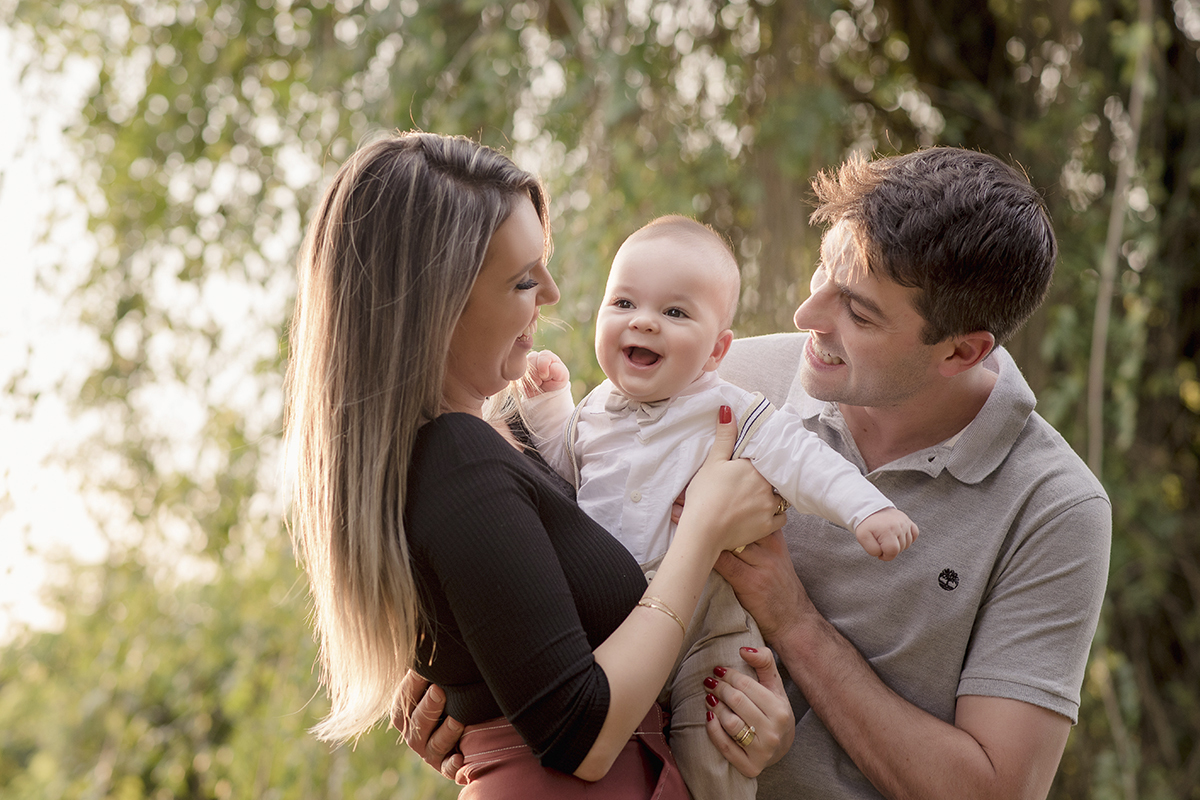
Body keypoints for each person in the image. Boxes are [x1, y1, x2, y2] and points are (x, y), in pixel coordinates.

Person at [401, 146, 1112, 800]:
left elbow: (994, 791)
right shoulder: (716, 375)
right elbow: (565, 522)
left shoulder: (1053, 508)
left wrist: (793, 620)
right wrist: (467, 675)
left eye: (856, 312)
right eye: (821, 276)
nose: (807, 316)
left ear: (962, 352)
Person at [284, 131, 792, 799]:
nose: (551, 293)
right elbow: (578, 733)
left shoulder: (483, 447)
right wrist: (701, 533)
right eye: (524, 278)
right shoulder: (456, 462)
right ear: (440, 302)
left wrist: (738, 713)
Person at [519, 215, 918, 799]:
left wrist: (865, 509)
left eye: (676, 313)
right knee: (591, 741)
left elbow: (800, 459)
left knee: (720, 735)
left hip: (707, 615)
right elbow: (564, 479)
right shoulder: (594, 411)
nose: (645, 321)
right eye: (624, 302)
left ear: (717, 350)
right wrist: (550, 406)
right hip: (609, 617)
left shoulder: (728, 408)